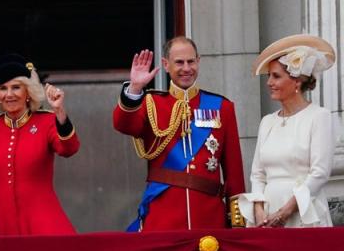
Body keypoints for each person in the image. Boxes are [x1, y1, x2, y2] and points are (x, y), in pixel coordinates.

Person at [113, 37, 245, 231]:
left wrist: (237, 222)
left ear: (198, 61)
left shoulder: (222, 107)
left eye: (191, 62)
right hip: (163, 220)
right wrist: (135, 89)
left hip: (209, 219)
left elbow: (234, 172)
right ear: (166, 65)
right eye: (179, 62)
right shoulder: (151, 104)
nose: (186, 68)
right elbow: (123, 124)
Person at [238, 34, 337, 228]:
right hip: (267, 215)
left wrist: (285, 212)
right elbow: (257, 175)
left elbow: (319, 173)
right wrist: (259, 211)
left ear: (297, 82)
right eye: (269, 77)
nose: (269, 83)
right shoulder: (267, 122)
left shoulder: (319, 116)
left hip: (304, 212)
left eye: (276, 76)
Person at [0, 54, 79, 235]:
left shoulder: (47, 121)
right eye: (3, 88)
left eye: (16, 87)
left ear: (28, 92)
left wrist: (59, 112)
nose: (9, 94)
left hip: (41, 221)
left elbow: (69, 149)